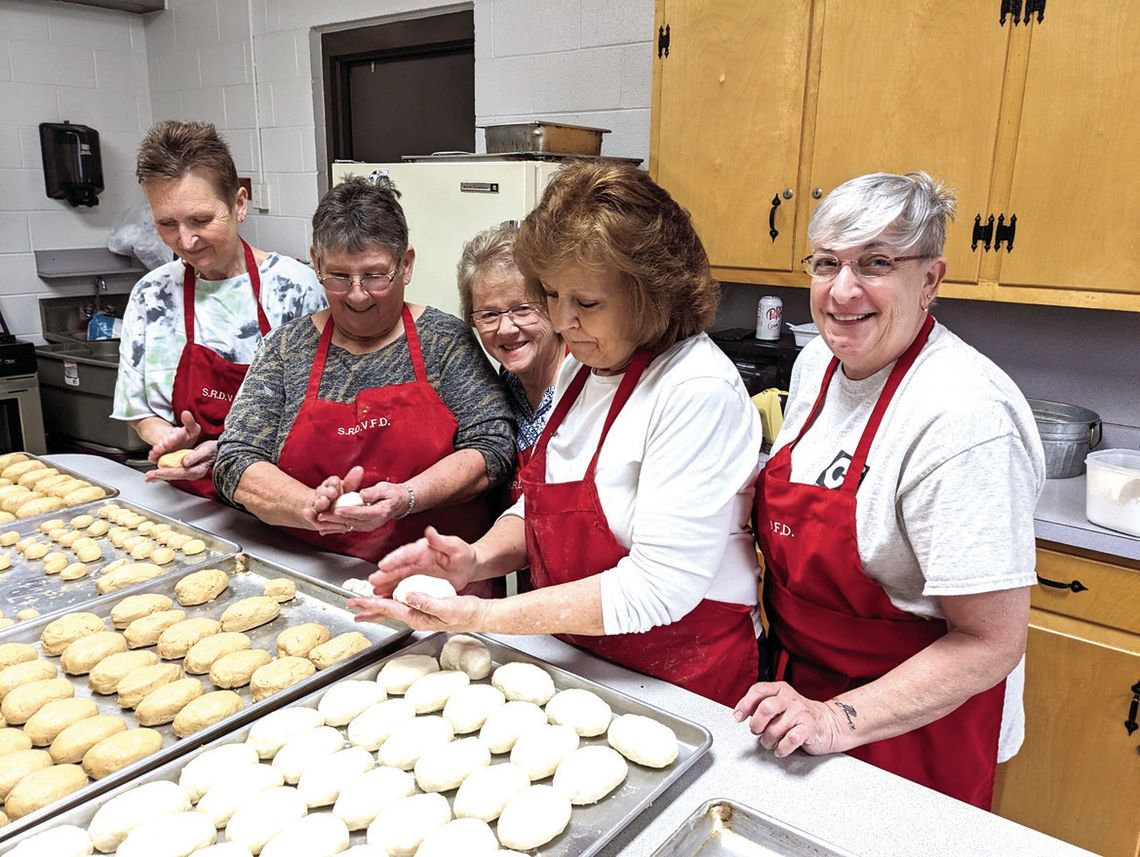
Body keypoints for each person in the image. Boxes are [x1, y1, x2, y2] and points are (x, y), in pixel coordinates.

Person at [350, 161, 764, 707]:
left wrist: (484, 615)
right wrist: (475, 560)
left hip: (679, 680)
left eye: (586, 303)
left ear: (652, 292)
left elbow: (658, 590)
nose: (562, 322)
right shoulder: (585, 366)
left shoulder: (695, 389)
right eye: (550, 296)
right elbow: (543, 508)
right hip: (579, 661)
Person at [738, 171, 1045, 809]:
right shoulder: (820, 362)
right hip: (805, 686)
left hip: (919, 719)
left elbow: (990, 643)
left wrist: (835, 720)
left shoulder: (962, 419)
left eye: (876, 263)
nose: (842, 291)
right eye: (827, 264)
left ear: (930, 279)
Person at [213, 176, 515, 565]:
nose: (356, 294)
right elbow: (236, 459)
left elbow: (493, 447)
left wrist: (407, 497)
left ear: (405, 265)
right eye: (339, 276)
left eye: (374, 275)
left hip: (436, 575)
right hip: (312, 575)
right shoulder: (286, 349)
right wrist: (311, 506)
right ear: (317, 263)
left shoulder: (444, 341)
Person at [112, 120, 325, 499]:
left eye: (201, 220)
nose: (186, 240)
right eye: (166, 223)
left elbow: (321, 412)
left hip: (278, 496)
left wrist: (231, 451)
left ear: (239, 203)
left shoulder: (294, 289)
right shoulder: (151, 295)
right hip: (186, 495)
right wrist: (169, 440)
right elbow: (136, 406)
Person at [457, 222, 564, 501]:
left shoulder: (589, 381)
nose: (506, 329)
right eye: (489, 315)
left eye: (522, 309)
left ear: (553, 305)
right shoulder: (498, 390)